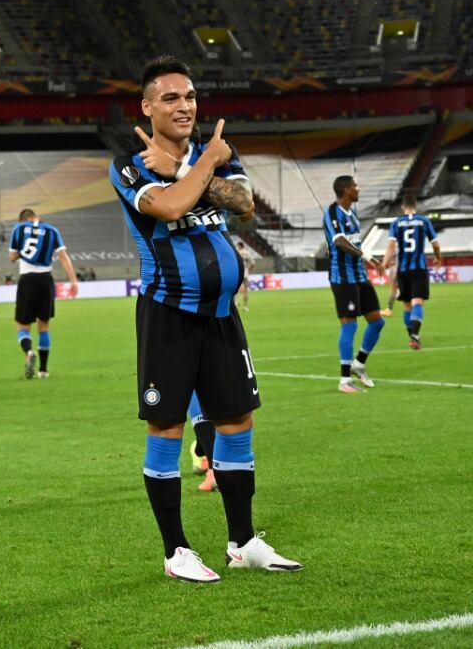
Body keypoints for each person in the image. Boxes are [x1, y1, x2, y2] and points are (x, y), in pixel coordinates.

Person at [111, 55, 301, 584]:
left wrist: (194, 167)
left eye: (190, 96)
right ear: (147, 107)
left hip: (221, 317)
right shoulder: (128, 165)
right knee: (167, 427)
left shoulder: (218, 152)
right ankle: (176, 551)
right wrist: (190, 169)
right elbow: (170, 207)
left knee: (238, 422)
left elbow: (242, 204)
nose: (184, 105)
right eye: (170, 97)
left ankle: (242, 542)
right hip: (167, 315)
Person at [324, 176, 386, 393]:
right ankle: (344, 381)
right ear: (345, 189)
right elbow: (339, 242)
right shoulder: (332, 212)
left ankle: (358, 364)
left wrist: (366, 260)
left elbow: (352, 241)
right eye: (355, 186)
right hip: (343, 277)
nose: (358, 189)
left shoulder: (353, 213)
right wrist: (368, 257)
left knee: (377, 322)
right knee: (349, 325)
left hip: (360, 276)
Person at [8, 208, 80, 379]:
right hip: (45, 280)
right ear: (36, 217)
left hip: (27, 280)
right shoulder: (52, 230)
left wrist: (20, 253)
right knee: (44, 326)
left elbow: (11, 257)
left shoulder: (18, 229)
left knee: (23, 325)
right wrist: (73, 281)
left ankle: (28, 352)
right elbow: (63, 256)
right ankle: (43, 370)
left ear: (22, 220)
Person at [382, 200, 442, 351]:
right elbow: (435, 244)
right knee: (417, 302)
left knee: (407, 305)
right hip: (419, 268)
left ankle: (413, 337)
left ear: (403, 207)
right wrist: (438, 257)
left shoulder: (396, 223)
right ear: (415, 206)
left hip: (402, 270)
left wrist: (383, 264)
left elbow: (390, 246)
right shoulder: (424, 221)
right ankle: (415, 335)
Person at [233, 240, 257, 312]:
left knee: (235, 290)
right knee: (246, 291)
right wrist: (249, 270)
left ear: (240, 246)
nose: (236, 247)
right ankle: (246, 307)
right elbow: (253, 263)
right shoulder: (247, 253)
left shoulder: (236, 252)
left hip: (238, 273)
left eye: (237, 246)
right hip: (245, 273)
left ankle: (236, 304)